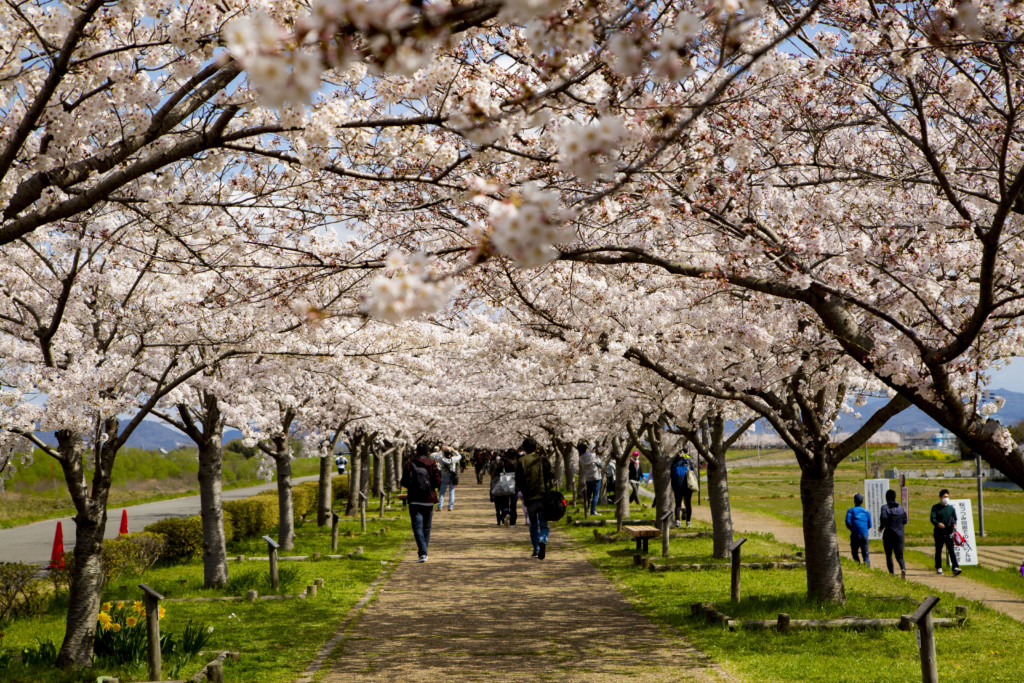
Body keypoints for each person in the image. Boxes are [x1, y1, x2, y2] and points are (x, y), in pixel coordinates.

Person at [400, 443, 442, 563]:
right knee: (426, 528)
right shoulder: (432, 464)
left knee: (417, 527)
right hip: (428, 499)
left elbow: (404, 481)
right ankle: (424, 552)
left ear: (416, 451)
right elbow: (438, 482)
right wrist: (429, 486)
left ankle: (423, 553)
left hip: (414, 500)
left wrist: (414, 487)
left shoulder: (410, 464)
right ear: (428, 452)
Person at [516, 436, 554, 560]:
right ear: (536, 447)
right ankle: (543, 540)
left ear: (524, 448)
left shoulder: (521, 461)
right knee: (543, 524)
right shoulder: (541, 460)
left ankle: (536, 549)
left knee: (533, 525)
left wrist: (523, 494)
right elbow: (551, 474)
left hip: (530, 497)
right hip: (543, 496)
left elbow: (519, 481)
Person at [930, 488, 962, 576]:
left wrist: (954, 524)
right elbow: (932, 518)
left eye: (947, 496)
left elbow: (954, 518)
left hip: (949, 532)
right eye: (944, 496)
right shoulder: (935, 507)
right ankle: (938, 567)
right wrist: (938, 523)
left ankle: (955, 567)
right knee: (938, 550)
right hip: (939, 532)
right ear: (940, 497)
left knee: (951, 550)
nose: (946, 498)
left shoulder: (951, 508)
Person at [878, 489, 909, 578]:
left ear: (886, 498)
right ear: (895, 498)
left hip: (889, 534)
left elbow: (883, 518)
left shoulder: (884, 508)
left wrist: (881, 528)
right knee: (899, 555)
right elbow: (905, 520)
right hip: (899, 535)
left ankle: (891, 574)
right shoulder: (900, 508)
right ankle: (903, 568)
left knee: (889, 555)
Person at [489, 449, 519, 526]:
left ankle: (506, 514)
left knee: (505, 503)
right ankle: (513, 522)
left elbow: (496, 474)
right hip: (514, 487)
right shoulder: (517, 464)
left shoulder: (503, 463)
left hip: (504, 486)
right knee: (513, 504)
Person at [844, 493, 872, 567]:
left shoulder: (850, 511)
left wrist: (852, 528)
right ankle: (867, 568)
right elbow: (870, 525)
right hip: (864, 535)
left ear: (854, 501)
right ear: (862, 502)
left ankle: (858, 565)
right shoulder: (866, 512)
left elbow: (847, 522)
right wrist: (864, 529)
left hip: (855, 534)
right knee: (865, 554)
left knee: (854, 552)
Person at [670, 449, 694, 528]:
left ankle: (678, 521)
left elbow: (672, 476)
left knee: (678, 504)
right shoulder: (688, 462)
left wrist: (672, 487)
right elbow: (694, 473)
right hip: (687, 486)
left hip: (678, 486)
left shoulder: (674, 464)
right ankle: (688, 521)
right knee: (687, 503)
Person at [434, 446, 461, 511]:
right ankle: (450, 507)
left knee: (442, 492)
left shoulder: (441, 459)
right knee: (451, 492)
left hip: (444, 477)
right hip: (452, 477)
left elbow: (436, 457)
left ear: (444, 453)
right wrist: (453, 450)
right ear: (450, 453)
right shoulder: (453, 459)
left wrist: (441, 451)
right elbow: (459, 456)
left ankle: (440, 506)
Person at [578, 442, 602, 516]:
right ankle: (593, 511)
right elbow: (601, 464)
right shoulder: (593, 456)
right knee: (595, 495)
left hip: (588, 478)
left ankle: (586, 510)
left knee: (588, 495)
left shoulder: (580, 459)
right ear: (586, 448)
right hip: (596, 477)